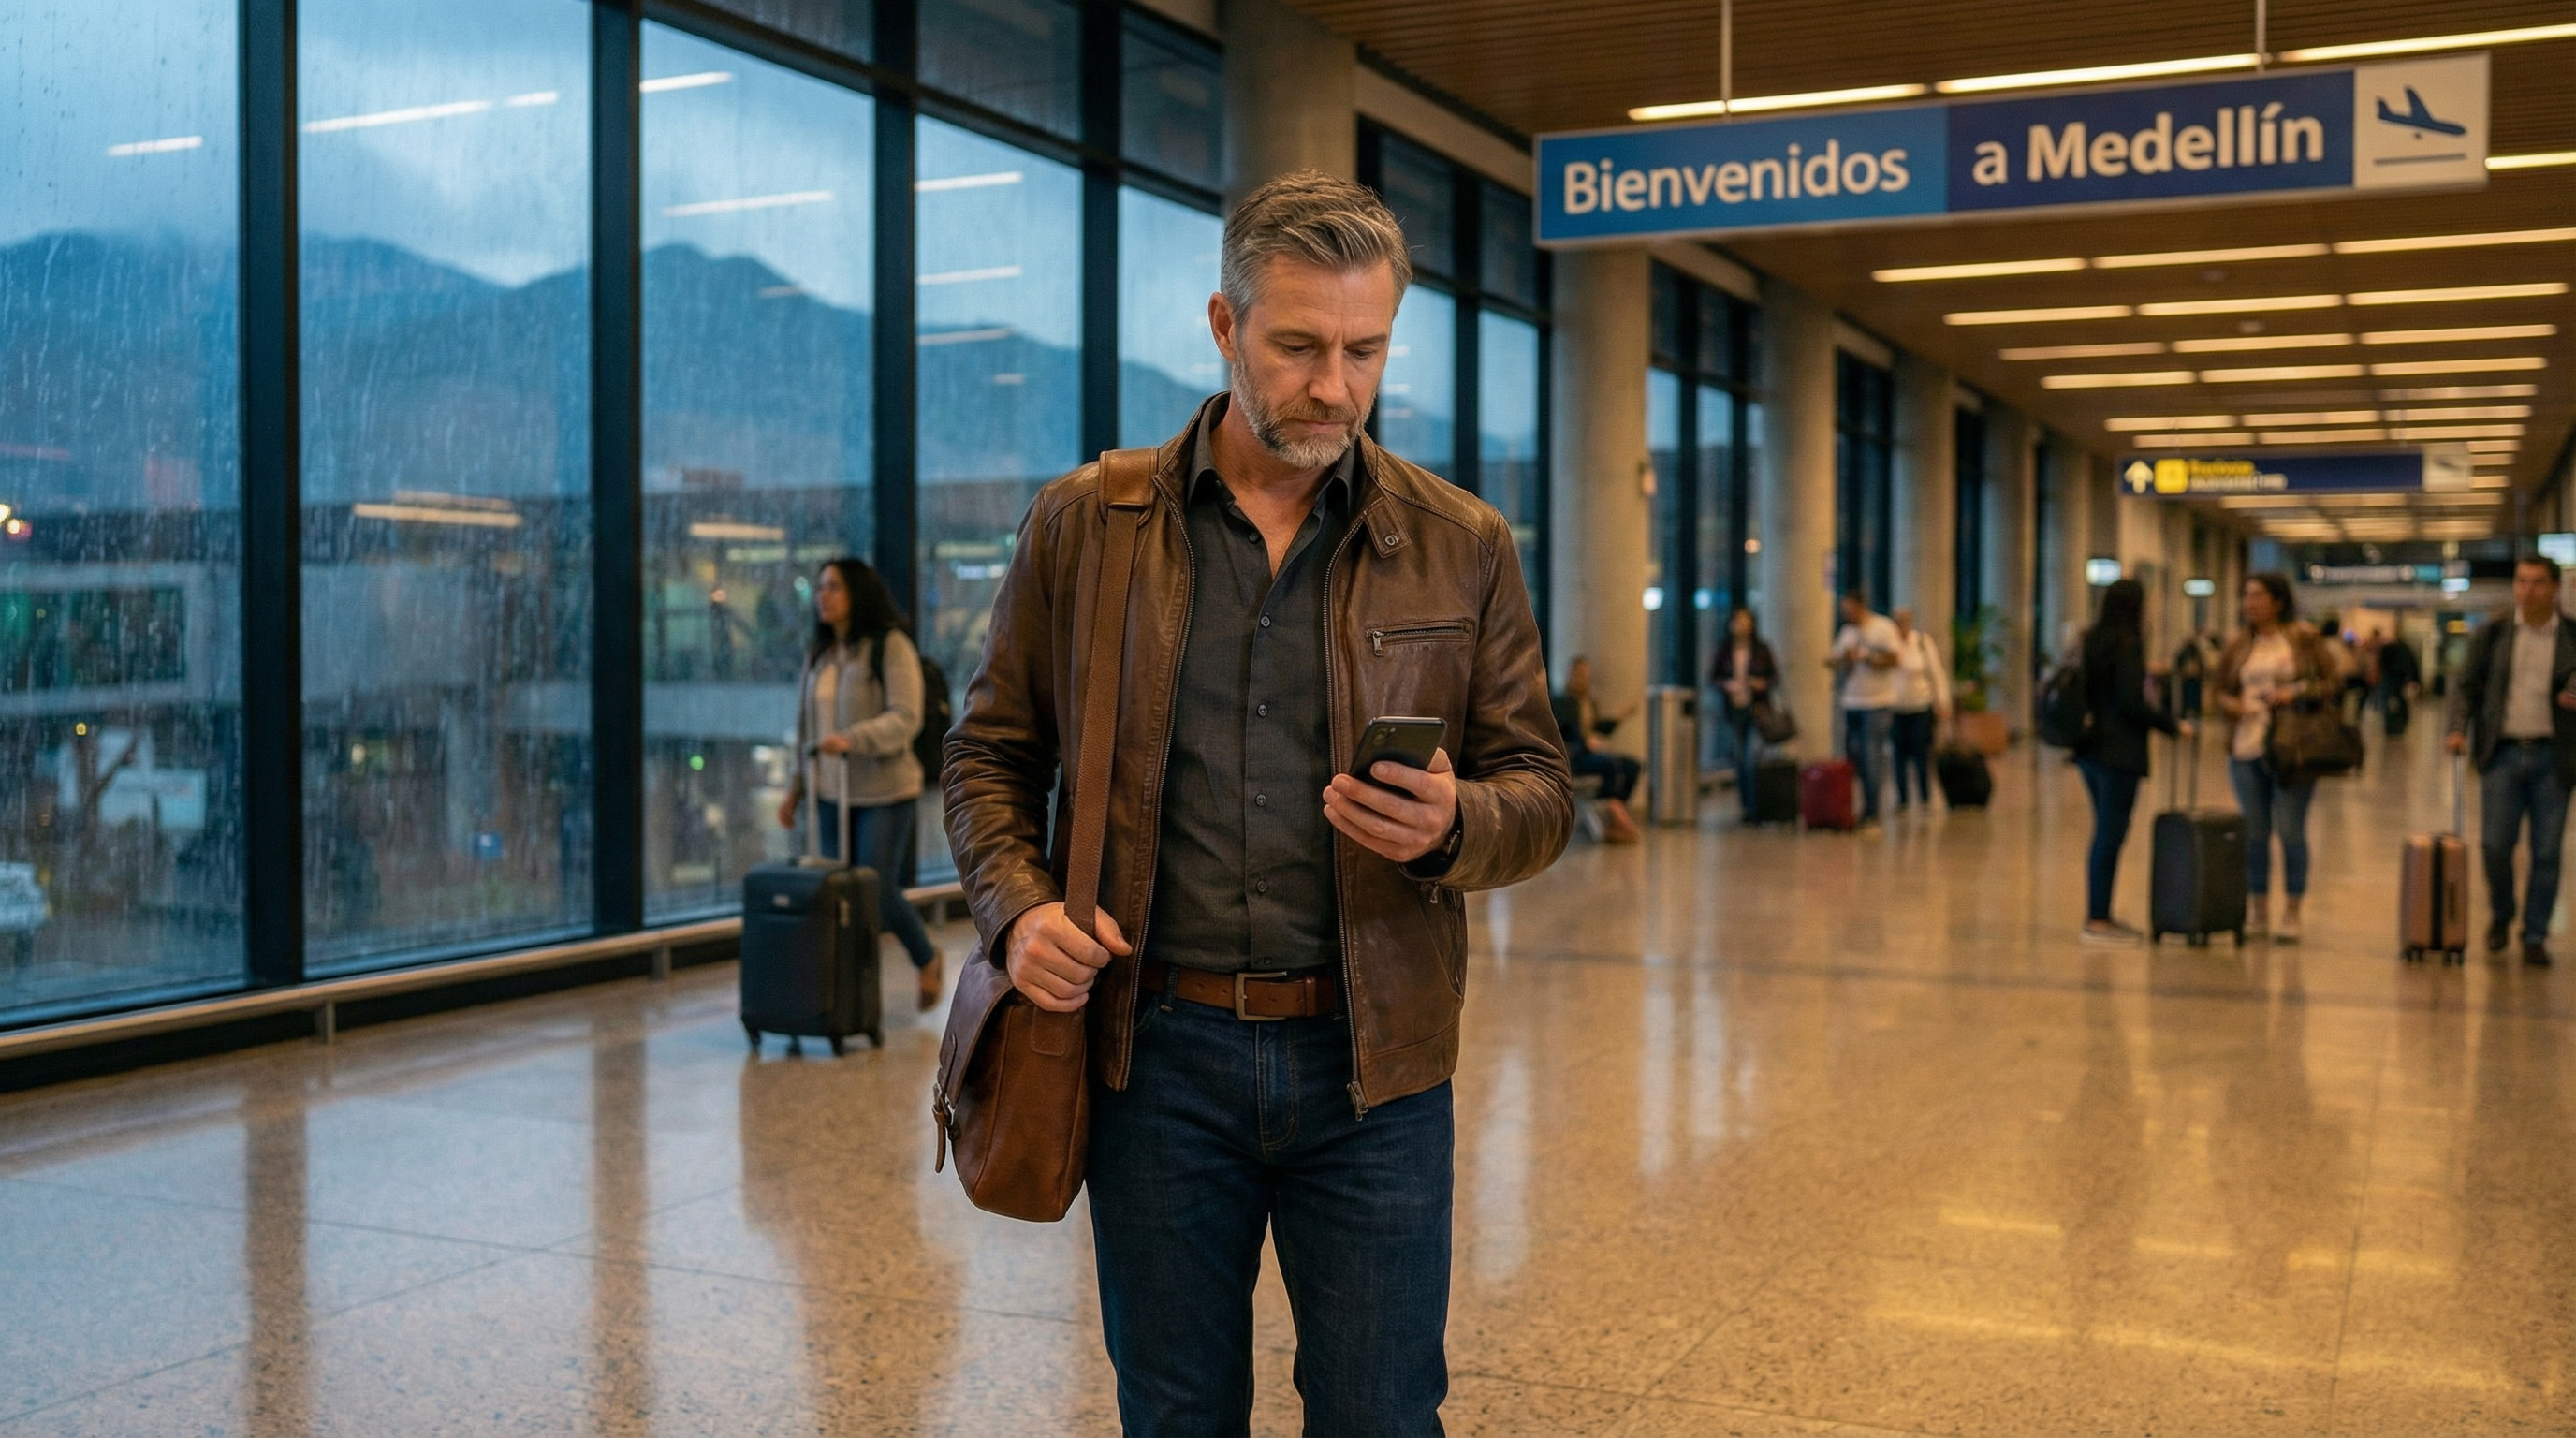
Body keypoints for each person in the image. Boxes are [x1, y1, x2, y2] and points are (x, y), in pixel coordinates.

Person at [942, 170, 1572, 1436]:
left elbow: (1542, 791)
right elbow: (988, 756)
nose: (1333, 386)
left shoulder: (1463, 544)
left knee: (1383, 1413)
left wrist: (1456, 827)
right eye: (1296, 348)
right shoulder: (1090, 526)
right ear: (1225, 326)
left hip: (1375, 1064)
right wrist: (1017, 915)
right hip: (1156, 1058)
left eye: (1364, 350)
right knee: (1174, 1414)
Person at [777, 556, 945, 1009]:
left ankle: (926, 957)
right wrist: (795, 787)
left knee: (876, 889)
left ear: (857, 592)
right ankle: (848, 990)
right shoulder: (820, 655)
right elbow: (805, 727)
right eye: (818, 589)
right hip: (831, 793)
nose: (822, 597)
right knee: (841, 895)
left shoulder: (890, 646)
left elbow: (906, 718)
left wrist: (854, 739)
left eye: (833, 587)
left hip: (885, 791)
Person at [2446, 554, 2576, 966]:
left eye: (2537, 582)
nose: (2527, 590)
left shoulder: (2572, 637)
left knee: (2548, 852)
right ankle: (2502, 913)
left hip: (2553, 757)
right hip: (2501, 753)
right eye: (2521, 582)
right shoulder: (2495, 634)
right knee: (2495, 845)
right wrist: (2456, 728)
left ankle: (2535, 933)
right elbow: (2465, 686)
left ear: (2555, 588)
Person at [2213, 573, 2339, 944]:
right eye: (2246, 595)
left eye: (2258, 595)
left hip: (2292, 749)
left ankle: (2293, 909)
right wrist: (2232, 704)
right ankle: (2258, 908)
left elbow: (2334, 681)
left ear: (2278, 601)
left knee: (2291, 831)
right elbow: (2219, 689)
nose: (2249, 603)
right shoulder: (2238, 644)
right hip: (2245, 747)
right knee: (2254, 834)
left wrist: (2296, 691)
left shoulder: (2302, 638)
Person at [2071, 580, 2190, 944]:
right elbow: (2130, 703)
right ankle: (2097, 919)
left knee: (2104, 833)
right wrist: (2172, 725)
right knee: (2110, 834)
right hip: (2118, 753)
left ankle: (2100, 914)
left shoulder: (2092, 638)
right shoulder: (2127, 644)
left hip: (2090, 749)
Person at [1825, 590, 1902, 827]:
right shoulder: (1847, 632)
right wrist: (1844, 659)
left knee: (1872, 753)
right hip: (1852, 701)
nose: (1846, 613)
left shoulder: (1883, 627)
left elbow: (1894, 659)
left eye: (1849, 608)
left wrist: (1867, 657)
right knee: (1855, 755)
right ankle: (1855, 804)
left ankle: (1872, 808)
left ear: (1860, 606)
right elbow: (1834, 660)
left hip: (1878, 702)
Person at [1553, 655, 1642, 842]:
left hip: (1589, 752)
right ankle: (1613, 805)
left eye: (1586, 674)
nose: (1584, 678)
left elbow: (1598, 729)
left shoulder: (1589, 702)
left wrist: (1620, 716)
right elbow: (1563, 732)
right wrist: (1586, 743)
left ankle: (1616, 804)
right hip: (1575, 756)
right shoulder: (1563, 702)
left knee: (1632, 766)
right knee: (1611, 764)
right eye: (1580, 674)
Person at [1709, 606, 1780, 823]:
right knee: (1740, 759)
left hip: (1757, 710)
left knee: (1752, 758)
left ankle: (1756, 807)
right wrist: (1726, 685)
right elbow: (1714, 677)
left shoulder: (1761, 649)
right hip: (1734, 710)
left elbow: (1774, 678)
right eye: (1736, 621)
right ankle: (1745, 807)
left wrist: (1760, 684)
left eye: (1744, 621)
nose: (1740, 625)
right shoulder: (1725, 650)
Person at [1888, 607, 1952, 813]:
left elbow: (1936, 673)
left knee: (1920, 752)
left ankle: (1925, 796)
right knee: (1898, 754)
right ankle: (1902, 798)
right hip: (1896, 707)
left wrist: (1942, 701)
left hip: (1920, 706)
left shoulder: (1922, 642)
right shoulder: (1890, 645)